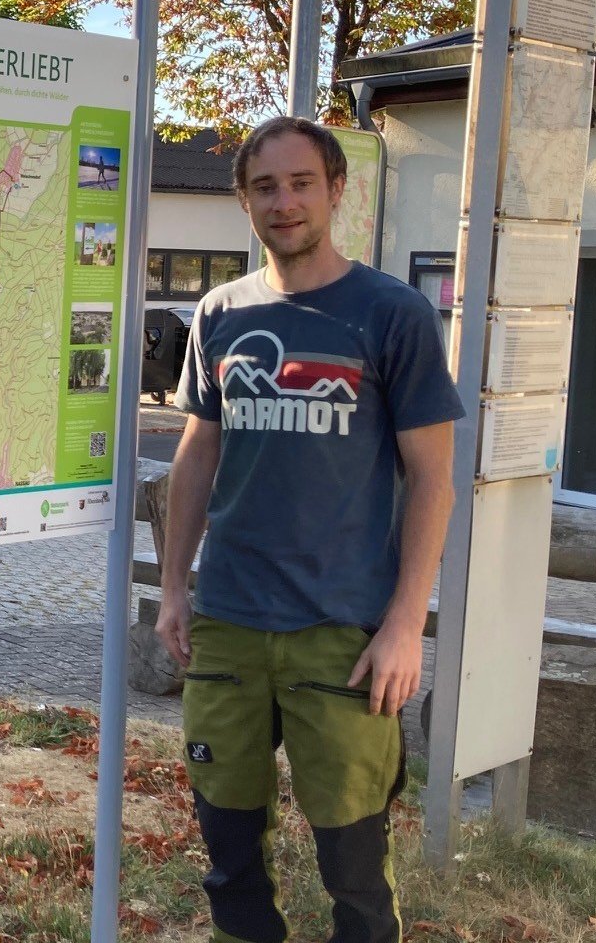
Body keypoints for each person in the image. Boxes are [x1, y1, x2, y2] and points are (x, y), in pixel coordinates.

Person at [157, 116, 463, 943]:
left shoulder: (393, 314)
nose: (283, 202)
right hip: (228, 623)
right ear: (244, 201)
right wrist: (175, 588)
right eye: (265, 187)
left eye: (300, 184)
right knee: (228, 851)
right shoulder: (220, 313)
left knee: (354, 867)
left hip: (343, 634)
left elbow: (433, 480)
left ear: (336, 190)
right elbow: (197, 455)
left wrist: (405, 624)